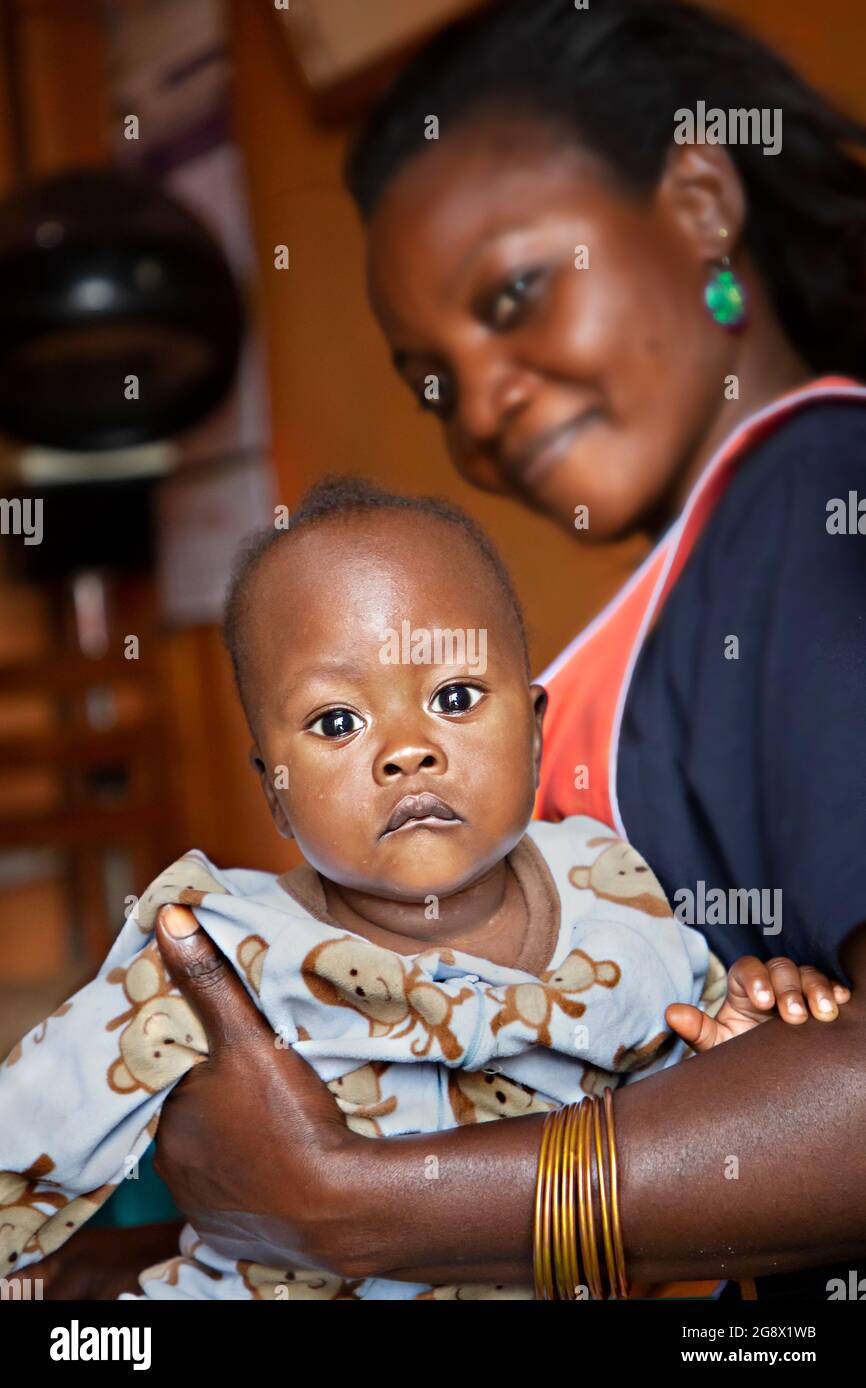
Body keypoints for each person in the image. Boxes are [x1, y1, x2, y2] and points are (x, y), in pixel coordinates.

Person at [23, 0, 866, 1299]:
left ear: (698, 204)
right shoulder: (712, 566)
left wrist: (356, 1205)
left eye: (513, 293)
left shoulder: (819, 510)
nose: (479, 404)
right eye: (432, 375)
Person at [6, 478, 844, 1300]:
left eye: (454, 697)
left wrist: (750, 1031)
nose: (408, 750)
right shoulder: (216, 947)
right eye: (338, 722)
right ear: (276, 789)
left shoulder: (616, 891)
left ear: (536, 731)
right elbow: (28, 1134)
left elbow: (702, 1109)